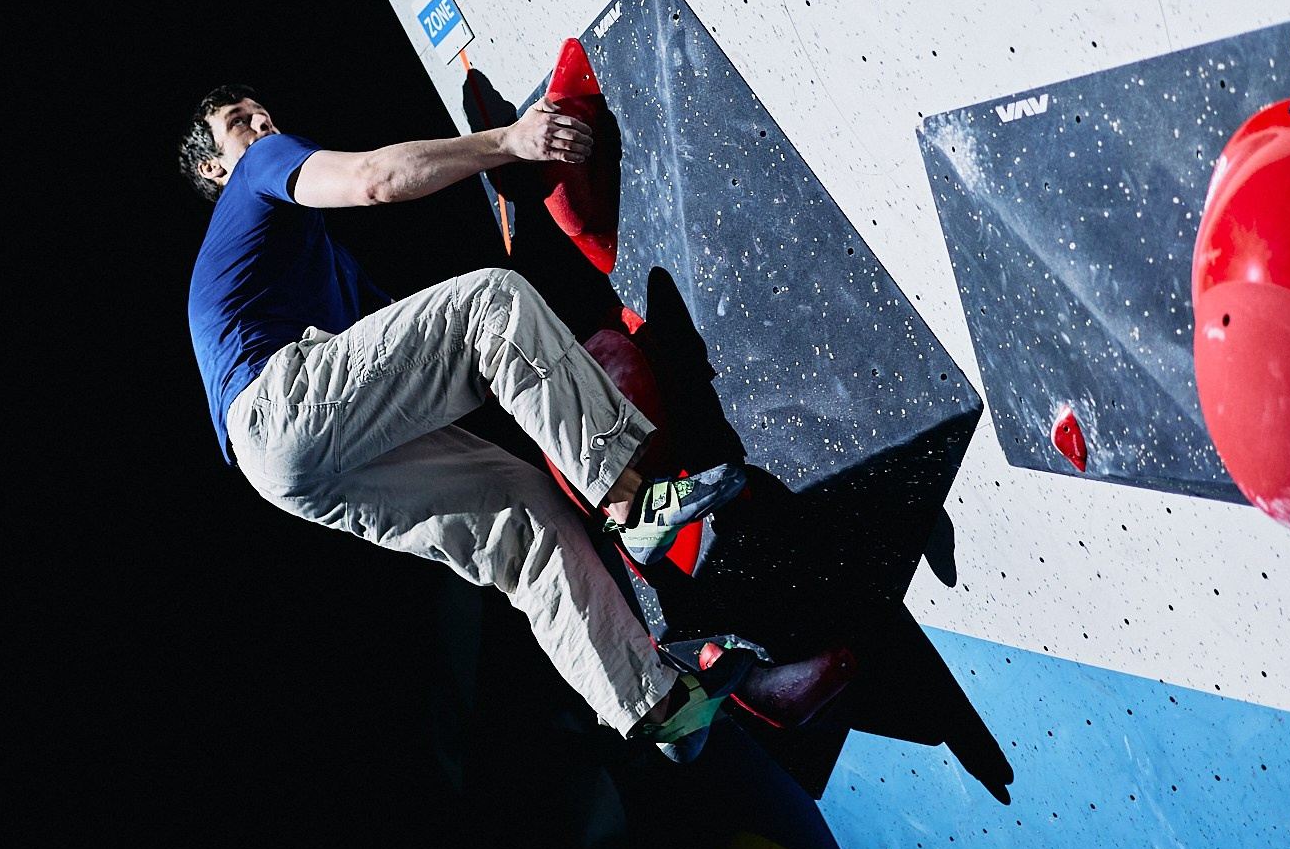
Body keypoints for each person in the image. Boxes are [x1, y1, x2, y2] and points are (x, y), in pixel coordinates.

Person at [179, 83, 849, 759]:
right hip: (281, 402)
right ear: (214, 167)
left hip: (287, 469)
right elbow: (374, 179)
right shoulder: (257, 175)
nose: (263, 123)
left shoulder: (311, 266)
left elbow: (431, 362)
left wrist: (554, 392)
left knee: (522, 519)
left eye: (264, 112)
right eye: (240, 123)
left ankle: (658, 708)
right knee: (491, 303)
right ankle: (631, 502)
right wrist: (507, 141)